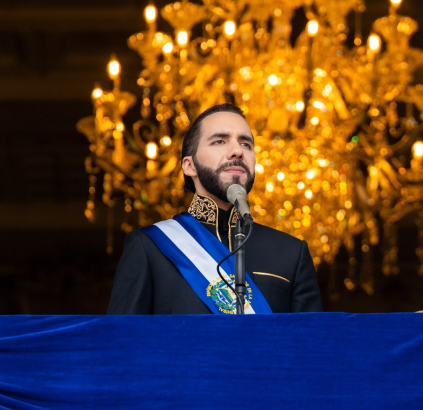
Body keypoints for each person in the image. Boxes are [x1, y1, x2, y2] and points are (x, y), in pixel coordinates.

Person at [107, 103, 323, 314]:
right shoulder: (150, 247)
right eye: (219, 141)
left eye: (246, 144)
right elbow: (123, 336)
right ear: (189, 166)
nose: (237, 151)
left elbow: (312, 337)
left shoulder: (291, 253)